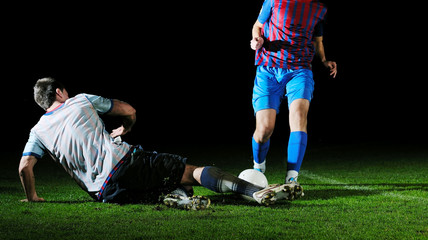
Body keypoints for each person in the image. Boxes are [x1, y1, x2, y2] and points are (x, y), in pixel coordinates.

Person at [19, 78, 303, 210]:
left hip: (104, 193)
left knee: (171, 185)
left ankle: (176, 198)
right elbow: (128, 109)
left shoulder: (38, 131)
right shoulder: (79, 100)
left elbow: (24, 167)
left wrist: (32, 197)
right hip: (124, 163)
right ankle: (256, 192)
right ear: (59, 91)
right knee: (190, 171)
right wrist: (125, 127)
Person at [249, 0, 337, 185]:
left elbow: (317, 41)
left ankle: (292, 179)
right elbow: (257, 26)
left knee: (298, 116)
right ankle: (259, 168)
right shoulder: (273, 2)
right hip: (268, 69)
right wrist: (258, 39)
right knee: (265, 129)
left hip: (299, 70)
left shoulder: (319, 8)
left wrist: (323, 61)